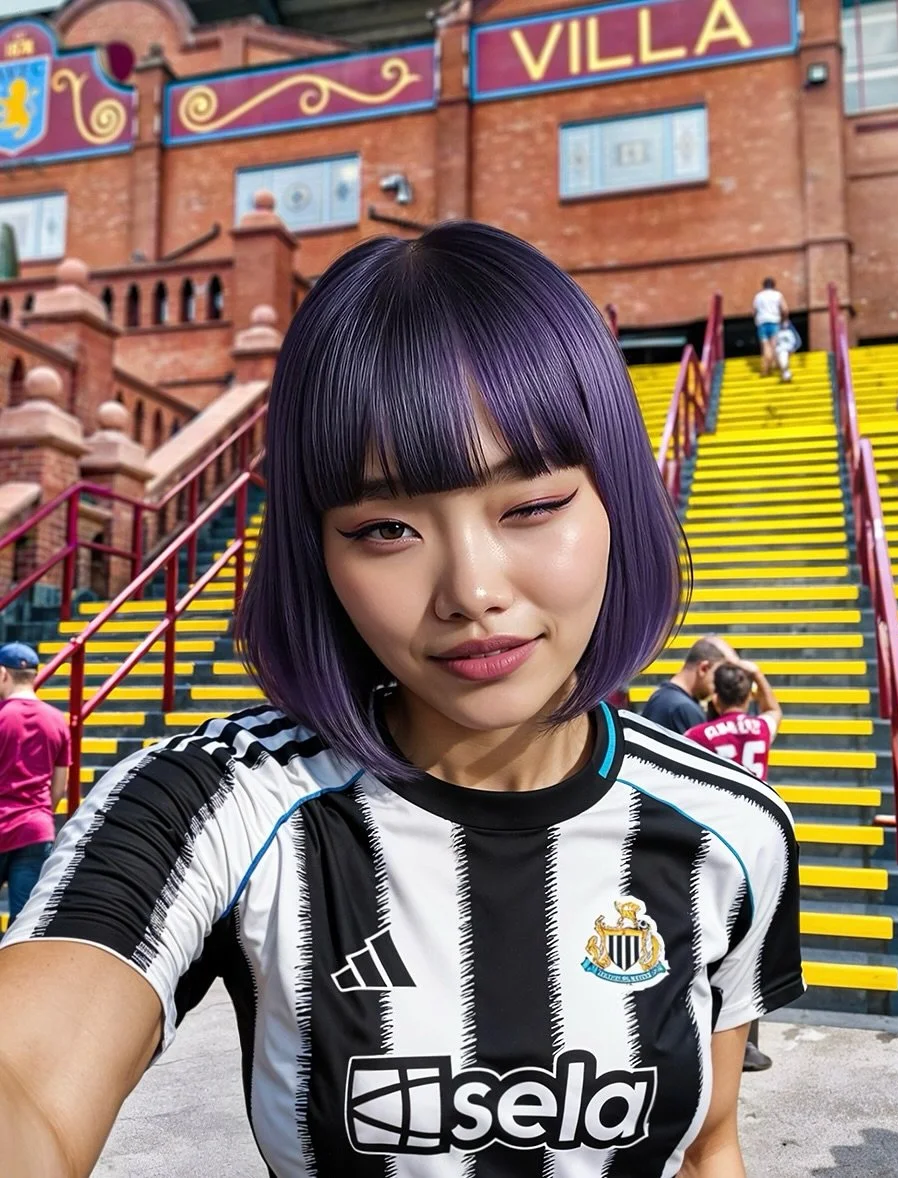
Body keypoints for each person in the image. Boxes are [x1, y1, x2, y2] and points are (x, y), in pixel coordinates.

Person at [0, 223, 803, 1178]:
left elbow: (711, 1147)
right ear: (318, 552)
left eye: (532, 506)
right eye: (385, 528)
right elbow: (30, 1086)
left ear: (616, 500)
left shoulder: (731, 828)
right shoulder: (217, 804)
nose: (472, 590)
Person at [685, 660, 783, 1074]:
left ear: (715, 696)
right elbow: (774, 710)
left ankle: (706, 1033)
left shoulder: (698, 735)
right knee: (752, 941)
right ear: (747, 694)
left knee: (713, 936)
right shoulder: (760, 727)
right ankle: (746, 1045)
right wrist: (759, 677)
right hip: (758, 836)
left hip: (717, 839)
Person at [0, 642, 70, 924]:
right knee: (23, 922)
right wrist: (39, 812)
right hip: (36, 828)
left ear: (3, 674)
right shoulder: (57, 720)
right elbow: (60, 786)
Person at [641, 635, 737, 734]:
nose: (722, 683)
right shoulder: (683, 708)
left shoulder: (661, 696)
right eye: (720, 675)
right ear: (704, 668)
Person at [753, 278, 788, 377]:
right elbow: (785, 309)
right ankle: (773, 366)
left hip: (762, 323)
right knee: (774, 346)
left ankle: (765, 369)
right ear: (773, 285)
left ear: (763, 285)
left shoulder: (758, 296)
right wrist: (784, 320)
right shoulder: (777, 295)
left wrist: (756, 320)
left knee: (765, 346)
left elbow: (754, 311)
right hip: (774, 322)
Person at [773, 319, 801, 384]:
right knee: (783, 361)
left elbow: (796, 340)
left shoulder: (789, 331)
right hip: (779, 350)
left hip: (786, 349)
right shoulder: (777, 331)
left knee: (784, 360)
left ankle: (786, 375)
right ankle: (786, 375)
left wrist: (793, 349)